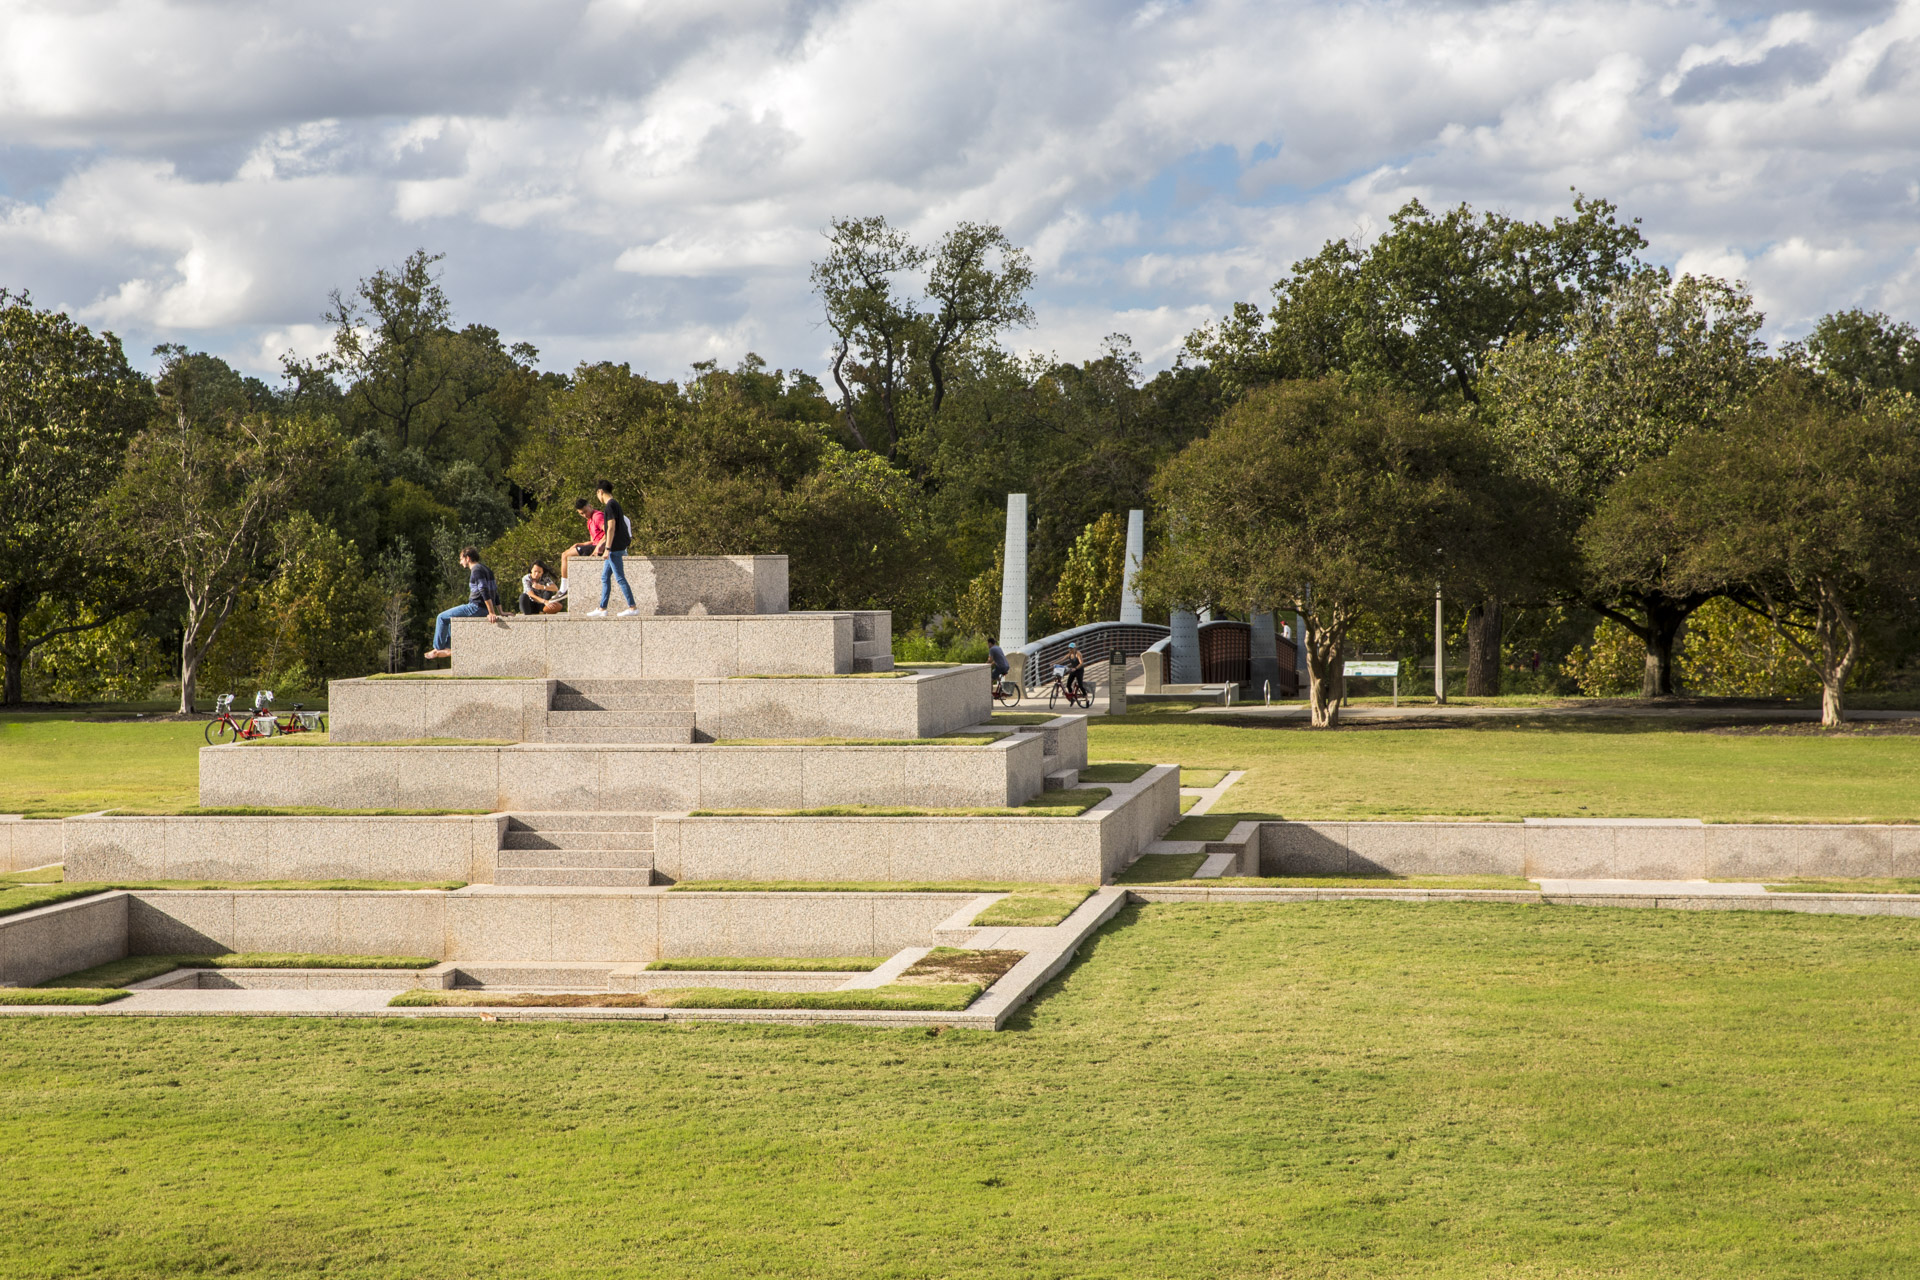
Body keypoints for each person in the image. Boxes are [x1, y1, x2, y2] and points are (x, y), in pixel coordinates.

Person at [423, 547, 499, 659]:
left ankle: (438, 648)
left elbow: (484, 590)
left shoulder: (476, 570)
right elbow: (495, 591)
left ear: (467, 558)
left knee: (441, 617)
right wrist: (500, 610)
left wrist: (491, 612)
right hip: (483, 608)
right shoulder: (487, 569)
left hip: (476, 607)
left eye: (461, 559)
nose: (460, 562)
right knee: (450, 618)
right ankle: (447, 648)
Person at [584, 480, 638, 617]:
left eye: (597, 494)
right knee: (605, 577)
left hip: (614, 548)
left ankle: (632, 607)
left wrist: (607, 548)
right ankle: (602, 608)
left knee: (620, 578)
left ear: (600, 492)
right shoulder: (615, 504)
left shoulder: (609, 506)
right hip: (615, 546)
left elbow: (611, 527)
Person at [558, 498, 604, 586]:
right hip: (595, 546)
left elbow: (609, 532)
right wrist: (580, 544)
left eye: (585, 511)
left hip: (601, 548)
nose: (585, 515)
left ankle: (564, 587)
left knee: (565, 555)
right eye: (581, 513)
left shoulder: (597, 516)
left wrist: (599, 547)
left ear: (590, 506)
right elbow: (593, 541)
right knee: (566, 553)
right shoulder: (589, 521)